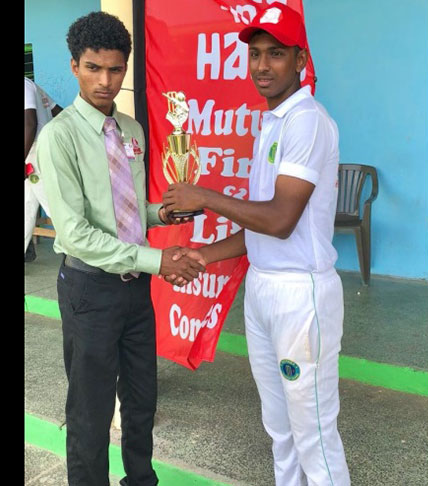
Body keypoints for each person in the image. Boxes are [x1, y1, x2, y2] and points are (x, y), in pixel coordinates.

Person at [162, 3, 351, 485]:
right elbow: (262, 226)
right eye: (256, 55)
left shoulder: (306, 121)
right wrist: (204, 255)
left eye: (277, 54)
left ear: (301, 61)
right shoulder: (272, 122)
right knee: (280, 429)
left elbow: (282, 219)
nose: (263, 66)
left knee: (313, 435)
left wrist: (202, 195)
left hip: (299, 298)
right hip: (264, 289)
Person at [36, 11, 205, 486]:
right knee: (89, 413)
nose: (105, 81)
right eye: (93, 68)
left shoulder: (130, 130)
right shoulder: (59, 137)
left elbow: (122, 211)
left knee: (140, 400)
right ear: (74, 67)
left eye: (115, 69)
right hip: (89, 290)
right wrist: (158, 260)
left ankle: (140, 480)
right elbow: (75, 232)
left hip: (134, 290)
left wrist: (162, 214)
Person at [25, 77, 63, 262]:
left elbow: (30, 123)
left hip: (36, 151)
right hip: (35, 151)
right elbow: (59, 112)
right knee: (27, 205)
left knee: (52, 204)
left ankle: (77, 250)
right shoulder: (33, 86)